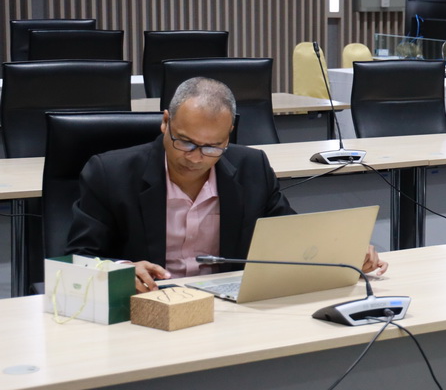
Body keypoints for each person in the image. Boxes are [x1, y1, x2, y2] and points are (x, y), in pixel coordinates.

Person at [66, 77, 387, 292]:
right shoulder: (110, 173)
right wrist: (122, 270)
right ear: (165, 122)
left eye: (212, 147)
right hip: (148, 306)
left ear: (229, 134)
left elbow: (289, 238)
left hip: (227, 305)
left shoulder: (252, 167)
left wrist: (345, 252)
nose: (195, 157)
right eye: (185, 142)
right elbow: (78, 257)